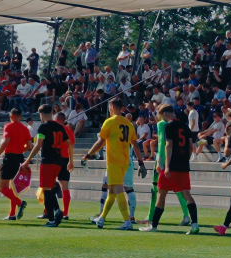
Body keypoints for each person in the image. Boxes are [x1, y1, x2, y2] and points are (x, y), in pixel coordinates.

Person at [81, 99, 138, 230]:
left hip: (114, 160)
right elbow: (134, 143)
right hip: (125, 160)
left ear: (111, 107)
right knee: (112, 191)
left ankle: (127, 221)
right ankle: (101, 218)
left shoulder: (110, 122)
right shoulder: (128, 123)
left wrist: (88, 155)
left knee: (117, 189)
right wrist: (140, 162)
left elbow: (100, 142)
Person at [146, 105, 199, 233]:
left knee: (161, 193)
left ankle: (153, 225)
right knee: (187, 195)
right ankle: (195, 225)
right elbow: (191, 146)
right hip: (184, 165)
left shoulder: (168, 126)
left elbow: (168, 145)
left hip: (172, 165)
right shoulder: (185, 126)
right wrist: (186, 159)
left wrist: (167, 166)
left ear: (165, 115)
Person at [0, 108, 33, 221]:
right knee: (12, 187)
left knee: (2, 187)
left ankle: (20, 203)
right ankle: (12, 214)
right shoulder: (25, 129)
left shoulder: (9, 126)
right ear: (20, 116)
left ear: (11, 116)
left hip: (10, 157)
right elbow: (29, 146)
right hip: (20, 158)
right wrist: (21, 148)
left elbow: (6, 141)